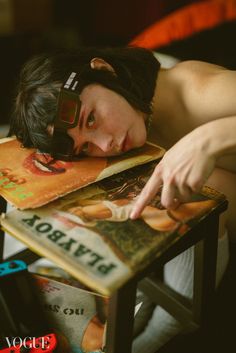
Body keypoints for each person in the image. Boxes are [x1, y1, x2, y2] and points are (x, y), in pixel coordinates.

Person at [9, 46, 236, 351]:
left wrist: (207, 140)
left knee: (180, 191)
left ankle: (155, 335)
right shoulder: (133, 117)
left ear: (104, 69)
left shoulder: (198, 91)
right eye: (86, 148)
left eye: (91, 119)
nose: (106, 144)